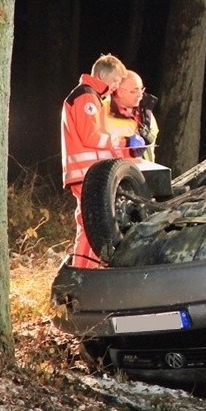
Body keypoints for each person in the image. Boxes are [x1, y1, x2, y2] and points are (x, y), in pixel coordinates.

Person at [61, 54, 136, 268]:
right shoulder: (86, 97)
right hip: (86, 173)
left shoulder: (90, 96)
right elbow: (91, 137)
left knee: (91, 226)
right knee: (91, 226)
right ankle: (83, 273)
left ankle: (84, 272)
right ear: (103, 75)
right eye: (115, 80)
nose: (116, 86)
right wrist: (124, 141)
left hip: (87, 172)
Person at [105, 70, 159, 161]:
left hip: (144, 168)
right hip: (116, 168)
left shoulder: (145, 113)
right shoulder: (103, 111)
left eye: (142, 89)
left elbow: (153, 135)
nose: (140, 94)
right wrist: (126, 142)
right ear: (120, 91)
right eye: (135, 90)